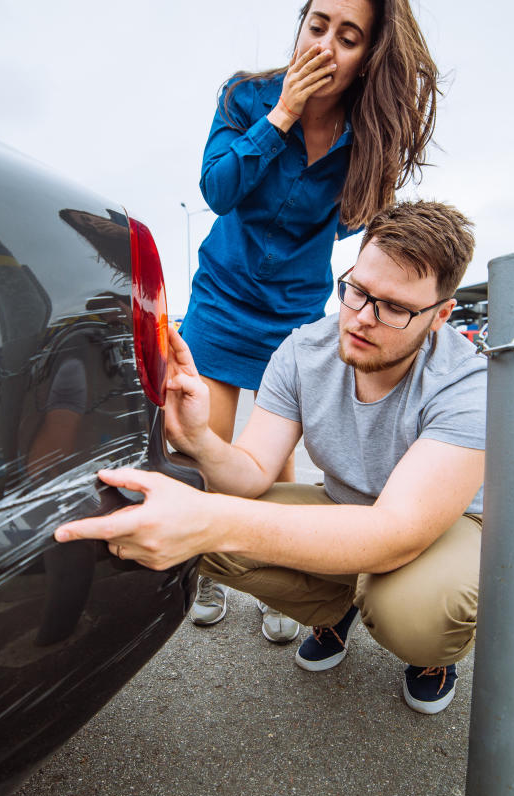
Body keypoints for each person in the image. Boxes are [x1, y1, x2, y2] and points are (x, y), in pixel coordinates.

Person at [55, 200, 484, 714]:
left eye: (394, 307)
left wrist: (212, 520)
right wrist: (198, 440)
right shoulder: (305, 349)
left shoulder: (466, 381)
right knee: (206, 525)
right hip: (347, 507)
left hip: (441, 526)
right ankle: (334, 609)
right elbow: (253, 475)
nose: (363, 319)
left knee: (413, 613)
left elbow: (396, 533)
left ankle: (431, 656)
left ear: (440, 315)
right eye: (358, 291)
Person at [181, 0, 440, 637]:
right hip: (223, 295)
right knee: (207, 448)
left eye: (348, 38)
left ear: (366, 59)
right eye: (317, 24)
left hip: (295, 310)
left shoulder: (367, 135)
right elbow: (218, 190)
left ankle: (281, 579)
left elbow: (354, 218)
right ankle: (208, 571)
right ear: (300, 24)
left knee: (273, 460)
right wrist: (283, 115)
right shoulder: (246, 95)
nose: (325, 45)